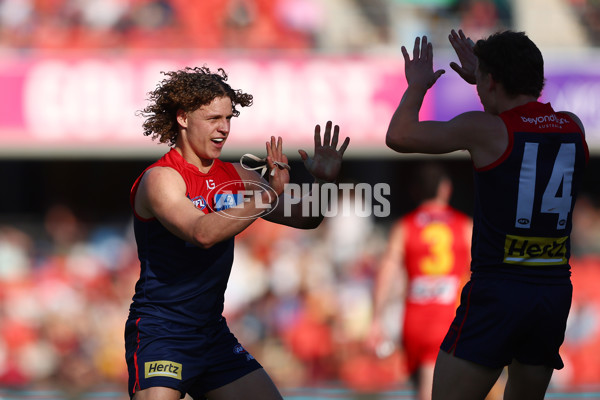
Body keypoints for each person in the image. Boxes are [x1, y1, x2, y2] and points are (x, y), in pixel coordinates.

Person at [124, 66, 349, 400]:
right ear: (183, 118)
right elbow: (202, 233)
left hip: (211, 333)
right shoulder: (161, 178)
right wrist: (267, 194)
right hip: (162, 332)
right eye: (213, 118)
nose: (224, 128)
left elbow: (306, 218)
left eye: (229, 118)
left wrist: (324, 182)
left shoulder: (237, 175)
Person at [385, 29, 588, 400]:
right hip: (553, 290)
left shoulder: (484, 129)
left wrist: (417, 85)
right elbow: (518, 131)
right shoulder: (573, 125)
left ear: (492, 81)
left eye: (481, 81)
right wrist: (488, 81)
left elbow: (399, 135)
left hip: (499, 290)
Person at [368, 162, 472, 400]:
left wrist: (376, 318)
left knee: (423, 386)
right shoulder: (464, 226)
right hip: (449, 318)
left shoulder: (404, 227)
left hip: (414, 319)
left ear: (415, 191)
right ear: (446, 189)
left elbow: (387, 271)